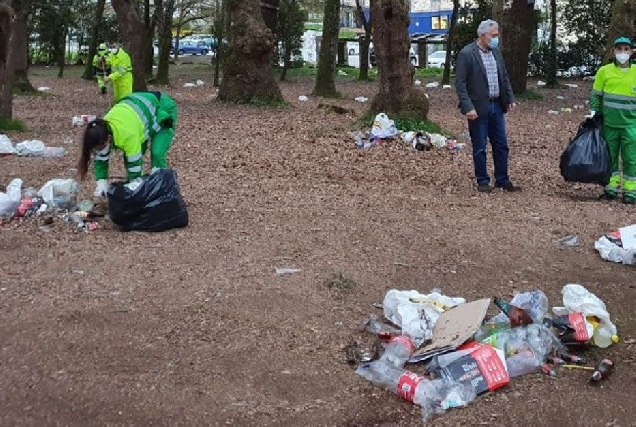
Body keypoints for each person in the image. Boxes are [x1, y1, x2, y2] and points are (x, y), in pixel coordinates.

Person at [455, 19, 520, 193]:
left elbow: (503, 76)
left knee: (501, 144)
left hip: (497, 105)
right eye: (493, 36)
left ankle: (502, 179)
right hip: (477, 107)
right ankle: (482, 180)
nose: (496, 39)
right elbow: (460, 83)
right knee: (480, 146)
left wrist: (510, 97)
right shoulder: (467, 54)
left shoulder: (496, 52)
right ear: (483, 36)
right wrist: (468, 106)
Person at [77, 91, 179, 198]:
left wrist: (134, 183)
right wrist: (102, 182)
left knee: (157, 152)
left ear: (109, 138)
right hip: (137, 116)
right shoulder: (100, 129)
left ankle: (162, 188)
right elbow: (101, 159)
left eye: (101, 147)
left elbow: (134, 162)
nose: (100, 150)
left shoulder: (127, 135)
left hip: (161, 108)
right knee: (134, 153)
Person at [590, 37, 636, 204]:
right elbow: (596, 95)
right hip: (609, 123)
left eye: (626, 49)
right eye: (619, 49)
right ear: (613, 51)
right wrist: (595, 113)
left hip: (631, 125)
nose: (622, 53)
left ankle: (630, 190)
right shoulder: (604, 71)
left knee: (631, 158)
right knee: (610, 156)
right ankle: (610, 187)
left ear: (631, 52)